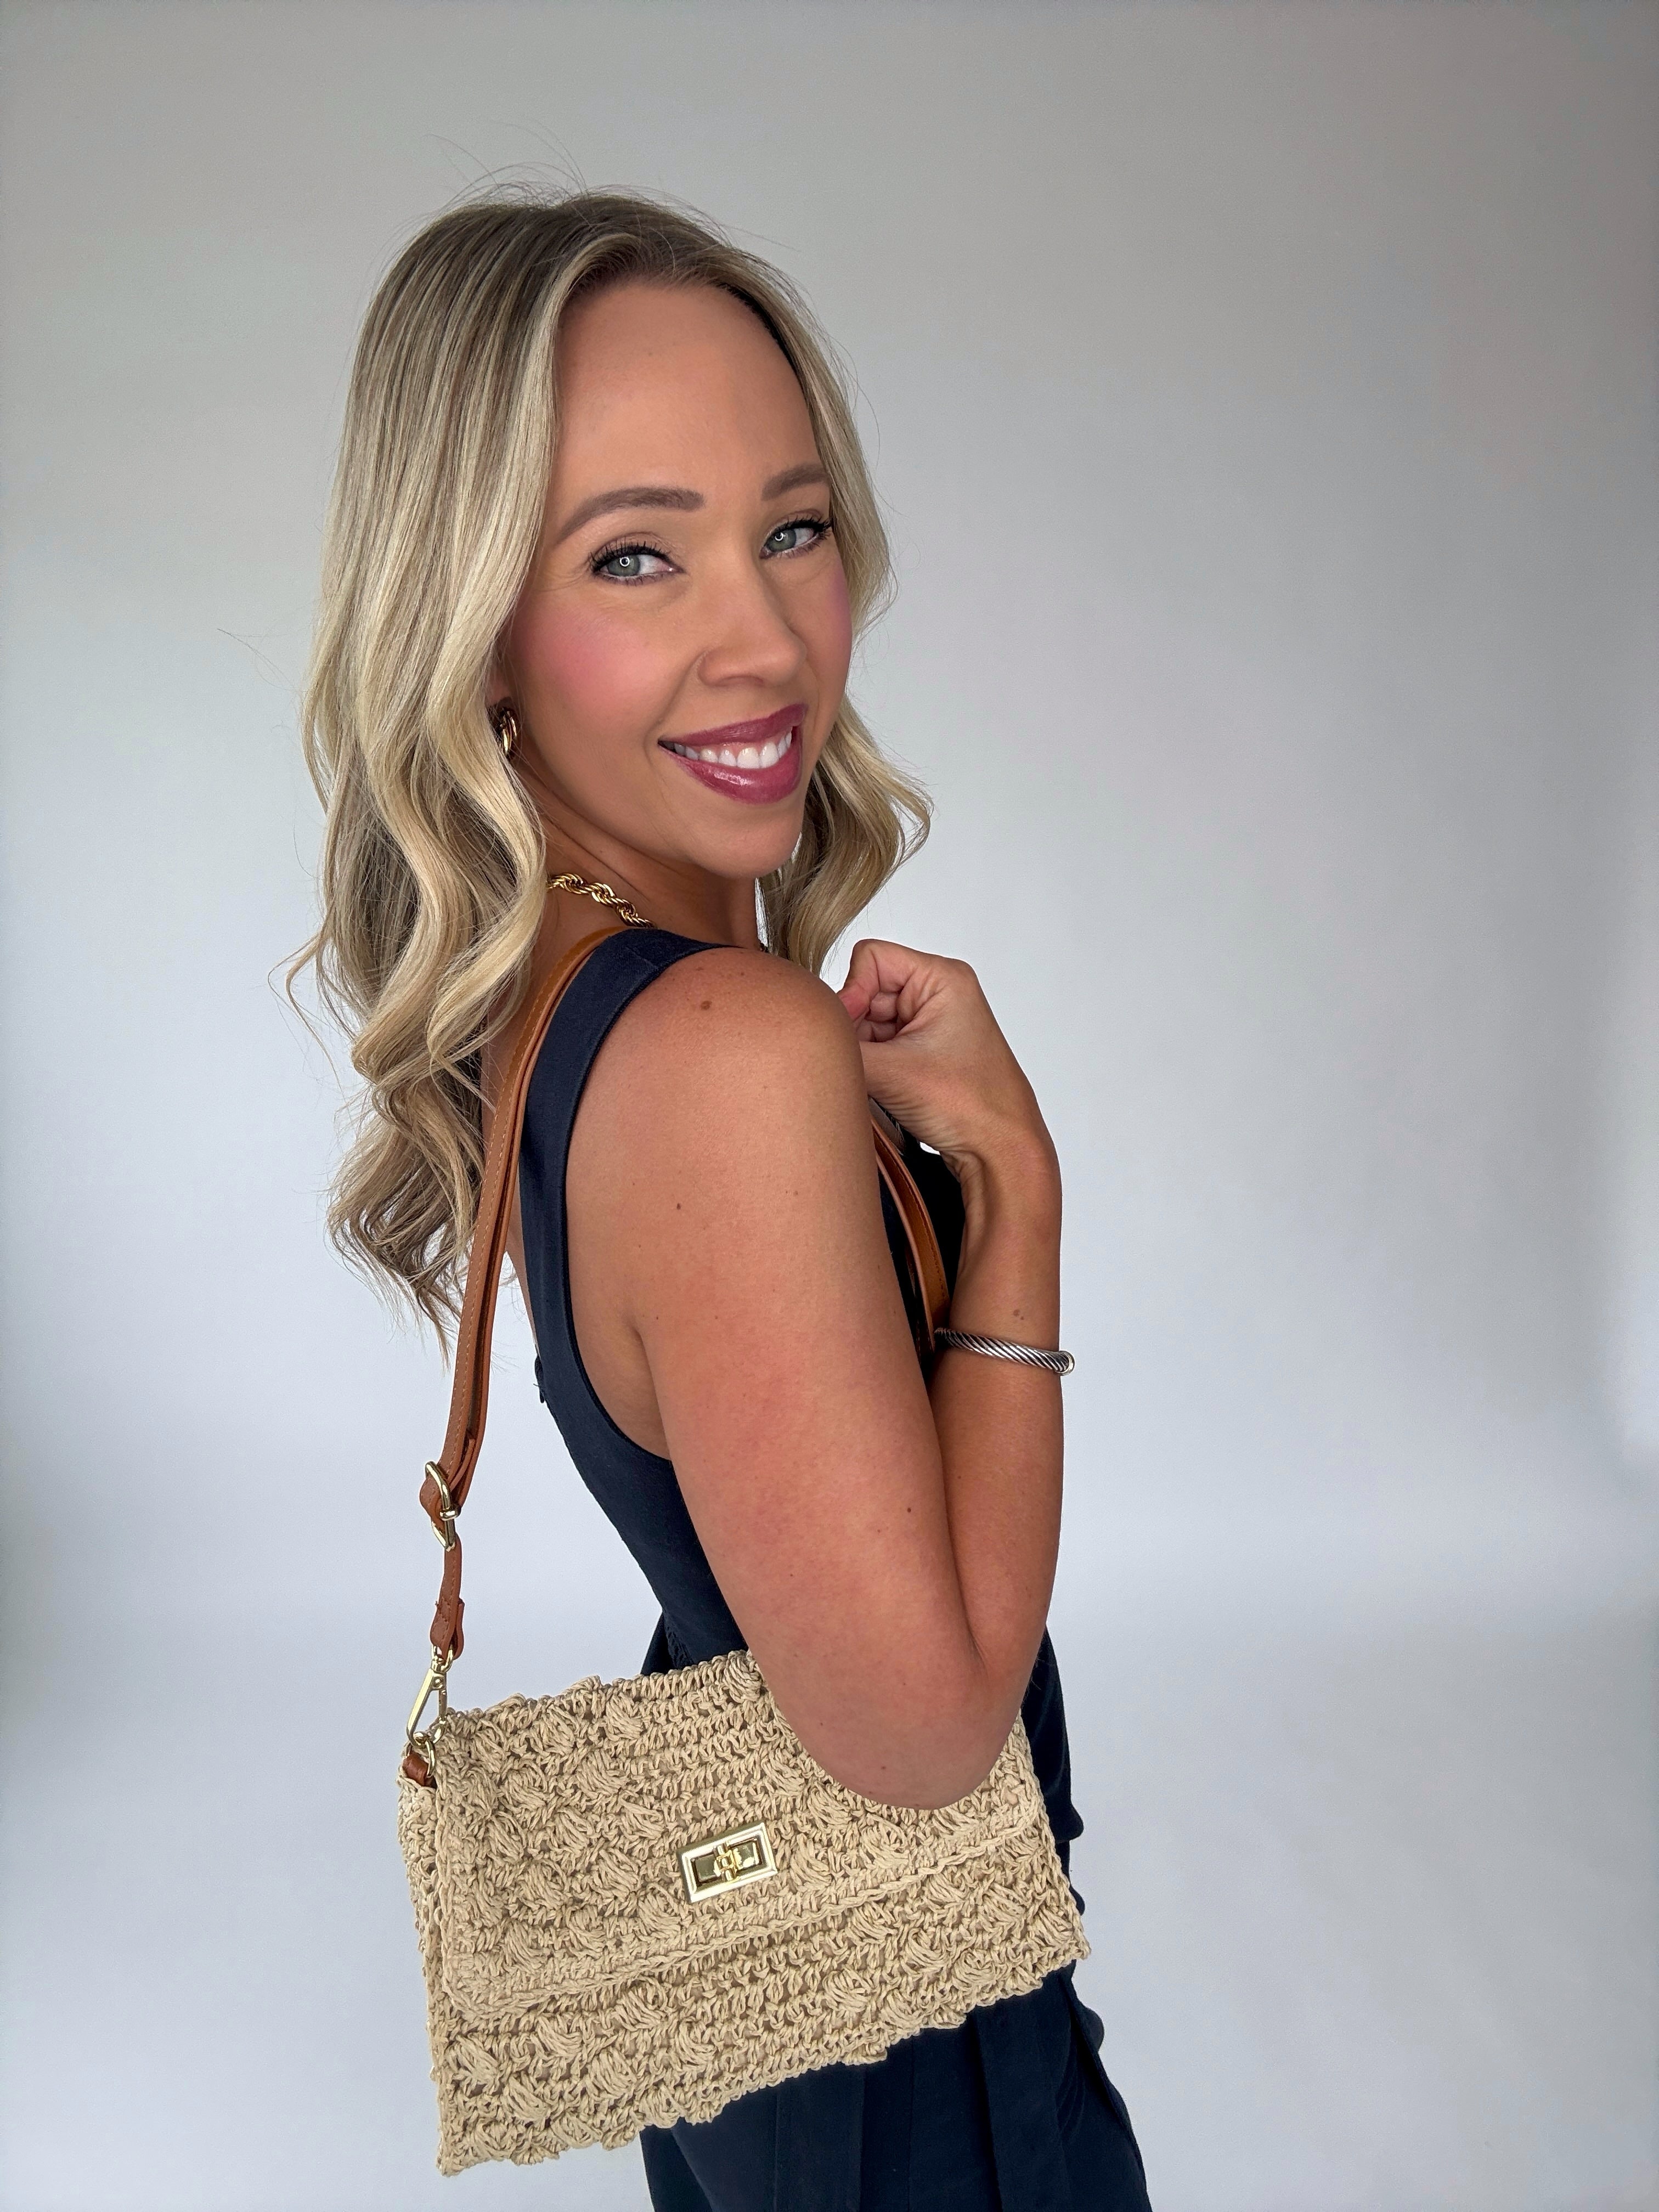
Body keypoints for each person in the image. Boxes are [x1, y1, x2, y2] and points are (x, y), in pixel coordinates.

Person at [297, 187, 1152, 2212]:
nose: (763, 638)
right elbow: (923, 1734)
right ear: (477, 625)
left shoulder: (568, 1001)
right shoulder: (728, 1049)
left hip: (770, 2003)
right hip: (900, 2036)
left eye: (793, 527)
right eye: (634, 555)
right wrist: (1016, 1186)